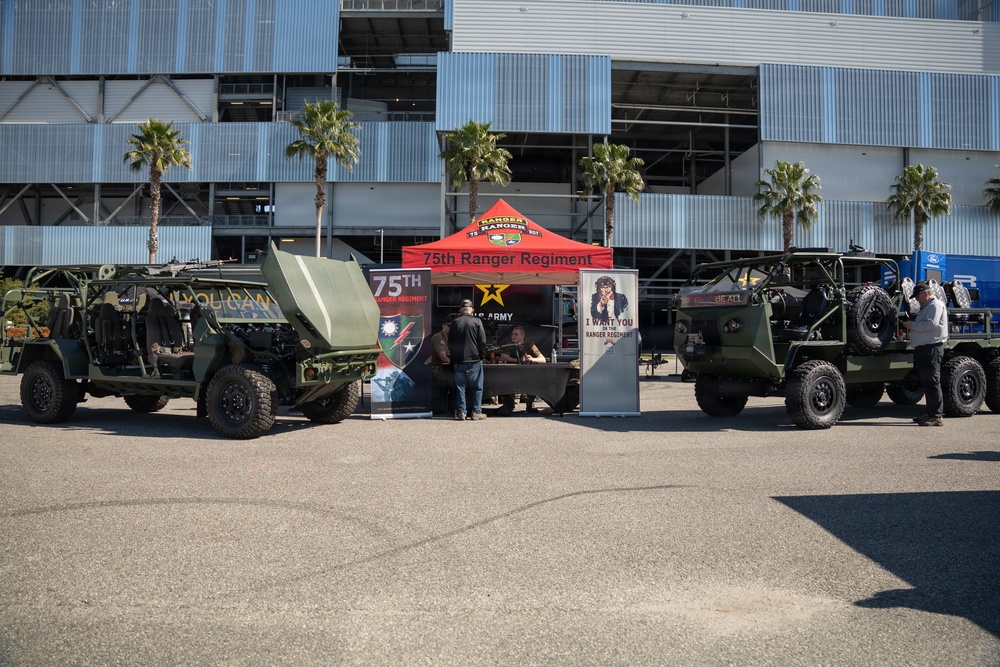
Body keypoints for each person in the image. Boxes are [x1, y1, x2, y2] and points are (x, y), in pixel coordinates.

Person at [902, 280, 949, 426]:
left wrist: (912, 325)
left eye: (918, 296)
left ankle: (936, 416)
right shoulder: (927, 306)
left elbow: (931, 324)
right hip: (925, 348)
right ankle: (930, 413)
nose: (916, 299)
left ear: (926, 293)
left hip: (931, 348)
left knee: (932, 382)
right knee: (928, 383)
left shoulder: (935, 305)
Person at [447, 299, 488, 421]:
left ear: (460, 311)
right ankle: (476, 412)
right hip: (474, 359)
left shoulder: (454, 323)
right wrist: (482, 355)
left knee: (460, 387)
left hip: (458, 360)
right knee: (477, 387)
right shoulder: (477, 321)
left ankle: (462, 412)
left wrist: (453, 355)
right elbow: (483, 341)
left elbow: (450, 343)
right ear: (472, 310)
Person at [498, 325, 546, 413]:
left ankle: (529, 404)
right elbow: (503, 357)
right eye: (512, 334)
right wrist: (517, 360)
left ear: (522, 336)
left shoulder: (530, 345)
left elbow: (543, 359)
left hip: (527, 374)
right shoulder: (509, 345)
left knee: (534, 381)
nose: (513, 336)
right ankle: (509, 404)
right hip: (511, 374)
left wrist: (532, 359)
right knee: (502, 381)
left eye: (516, 334)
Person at [427, 313, 457, 414]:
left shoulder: (452, 338)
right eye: (448, 325)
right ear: (443, 325)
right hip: (436, 367)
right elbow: (442, 357)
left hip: (446, 367)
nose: (450, 328)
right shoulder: (438, 337)